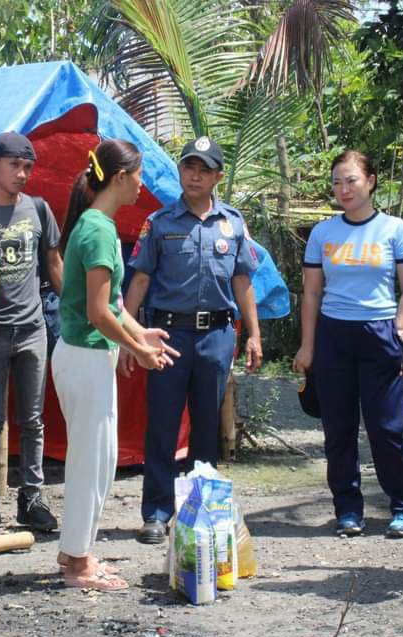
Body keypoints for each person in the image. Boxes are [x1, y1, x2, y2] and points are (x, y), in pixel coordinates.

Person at [124, 137, 262, 545]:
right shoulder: (161, 222)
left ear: (218, 176)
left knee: (206, 425)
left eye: (204, 169)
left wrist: (253, 334)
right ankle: (157, 512)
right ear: (180, 171)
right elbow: (141, 279)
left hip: (217, 336)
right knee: (163, 425)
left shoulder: (232, 223)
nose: (195, 175)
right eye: (189, 167)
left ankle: (202, 510)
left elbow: (243, 281)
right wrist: (129, 337)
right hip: (168, 335)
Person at [54, 139, 176, 590]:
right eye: (139, 174)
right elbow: (98, 312)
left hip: (86, 357)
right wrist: (138, 350)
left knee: (98, 460)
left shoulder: (95, 223)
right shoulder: (100, 230)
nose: (143, 184)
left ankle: (76, 552)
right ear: (120, 177)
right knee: (90, 462)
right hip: (85, 357)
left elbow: (115, 305)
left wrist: (139, 335)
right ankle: (78, 564)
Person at [291, 150, 403, 538]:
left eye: (351, 180)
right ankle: (348, 509)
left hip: (379, 333)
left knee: (386, 428)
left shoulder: (396, 230)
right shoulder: (323, 233)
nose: (343, 189)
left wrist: (399, 328)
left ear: (371, 181)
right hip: (334, 334)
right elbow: (312, 293)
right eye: (336, 182)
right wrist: (307, 345)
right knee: (338, 429)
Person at [0, 132, 62, 533]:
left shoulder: (39, 210)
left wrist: (77, 310)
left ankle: (32, 498)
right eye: (14, 166)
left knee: (34, 419)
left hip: (32, 329)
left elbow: (54, 265)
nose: (22, 174)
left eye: (28, 167)